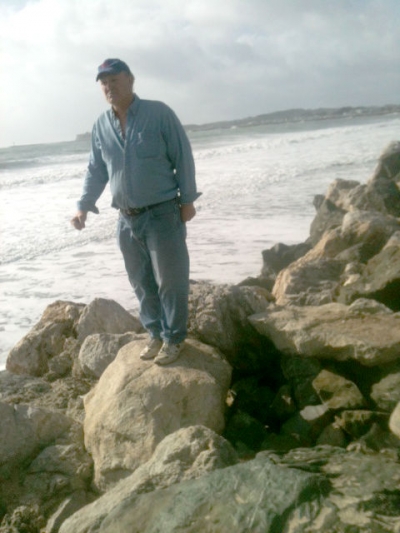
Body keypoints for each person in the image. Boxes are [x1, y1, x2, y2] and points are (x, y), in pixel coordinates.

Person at [71, 58, 200, 365]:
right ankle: (155, 334)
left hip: (162, 214)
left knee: (170, 281)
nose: (109, 87)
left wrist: (187, 200)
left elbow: (182, 156)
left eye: (114, 80)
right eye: (104, 83)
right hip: (126, 220)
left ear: (130, 79)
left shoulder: (159, 113)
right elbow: (96, 169)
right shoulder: (101, 125)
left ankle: (174, 338)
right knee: (141, 282)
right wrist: (83, 206)